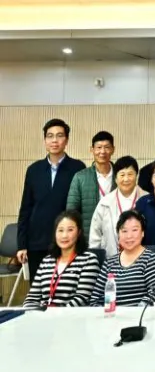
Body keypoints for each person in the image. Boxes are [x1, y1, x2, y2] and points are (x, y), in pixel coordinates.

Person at [17, 119, 86, 280]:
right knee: (39, 289)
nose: (54, 140)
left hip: (67, 241)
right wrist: (22, 244)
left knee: (66, 287)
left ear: (66, 140)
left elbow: (81, 209)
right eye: (50, 136)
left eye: (59, 136)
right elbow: (25, 209)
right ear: (45, 140)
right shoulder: (33, 170)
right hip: (37, 242)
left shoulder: (78, 168)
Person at [23, 211, 101, 308]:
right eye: (60, 230)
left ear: (79, 232)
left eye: (70, 230)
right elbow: (32, 298)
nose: (64, 235)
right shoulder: (46, 261)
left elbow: (82, 298)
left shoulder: (88, 260)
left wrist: (56, 314)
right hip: (43, 315)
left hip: (71, 315)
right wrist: (32, 313)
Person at [90, 211, 155, 307]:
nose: (129, 236)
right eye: (124, 231)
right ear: (118, 234)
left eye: (134, 230)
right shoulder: (109, 263)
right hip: (111, 315)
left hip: (139, 315)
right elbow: (95, 298)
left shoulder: (149, 258)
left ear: (142, 233)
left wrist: (135, 312)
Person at [89, 156, 148, 256]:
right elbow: (95, 236)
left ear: (136, 176)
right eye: (122, 175)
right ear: (115, 178)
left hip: (142, 259)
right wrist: (95, 258)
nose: (126, 179)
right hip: (111, 259)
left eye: (130, 174)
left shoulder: (147, 200)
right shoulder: (105, 203)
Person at [67, 131, 115, 234]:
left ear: (113, 149)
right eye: (99, 147)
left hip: (116, 235)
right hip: (89, 235)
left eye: (107, 147)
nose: (102, 151)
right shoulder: (80, 177)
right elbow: (72, 211)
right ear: (92, 150)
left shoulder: (120, 176)